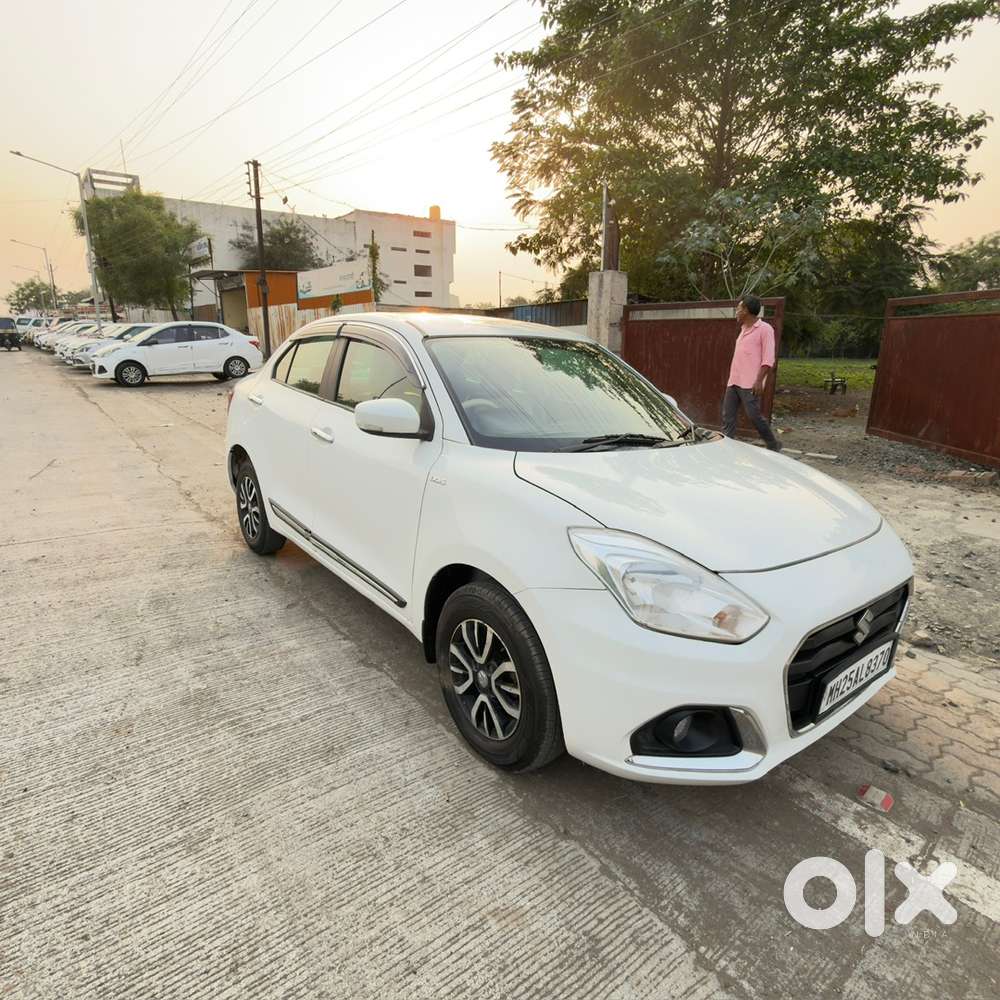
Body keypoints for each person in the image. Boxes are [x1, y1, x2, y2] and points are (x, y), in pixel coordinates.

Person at [721, 295, 780, 451]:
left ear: (746, 310)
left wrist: (759, 380)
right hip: (734, 380)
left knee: (754, 416)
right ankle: (726, 447)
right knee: (728, 416)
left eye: (739, 308)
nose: (736, 311)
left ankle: (773, 444)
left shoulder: (765, 329)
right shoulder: (743, 329)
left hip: (750, 382)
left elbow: (768, 359)